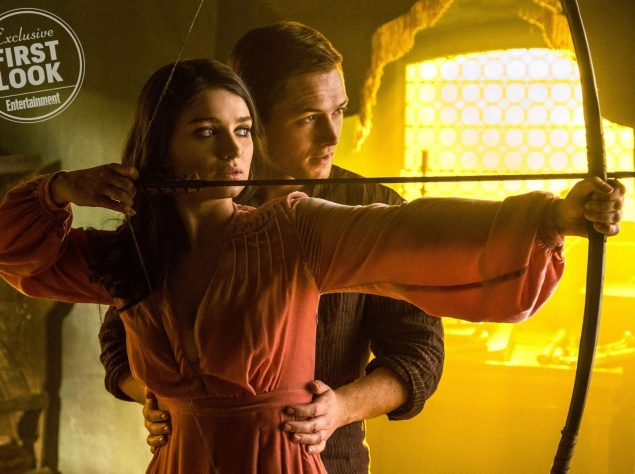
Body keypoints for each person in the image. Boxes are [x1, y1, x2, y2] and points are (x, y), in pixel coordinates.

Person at [0, 58, 625, 474]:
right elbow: (14, 252)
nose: (233, 150)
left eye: (243, 130)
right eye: (206, 132)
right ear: (160, 144)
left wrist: (552, 217)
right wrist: (61, 188)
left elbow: (409, 230)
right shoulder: (129, 253)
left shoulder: (293, 229)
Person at [100, 22, 447, 474]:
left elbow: (419, 352)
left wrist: (340, 408)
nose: (332, 136)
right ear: (253, 118)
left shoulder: (371, 206)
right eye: (307, 118)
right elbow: (118, 342)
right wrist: (157, 395)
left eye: (339, 111)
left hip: (329, 461)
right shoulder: (194, 206)